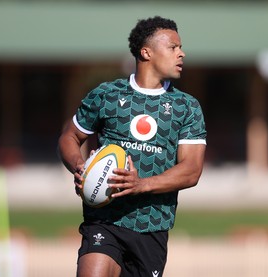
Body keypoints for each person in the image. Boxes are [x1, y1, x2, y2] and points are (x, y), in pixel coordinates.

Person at [58, 16, 207, 277]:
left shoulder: (187, 107)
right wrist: (80, 168)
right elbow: (69, 137)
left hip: (152, 226)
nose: (181, 53)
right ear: (146, 52)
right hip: (105, 220)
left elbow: (192, 170)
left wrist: (141, 184)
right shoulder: (107, 95)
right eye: (173, 47)